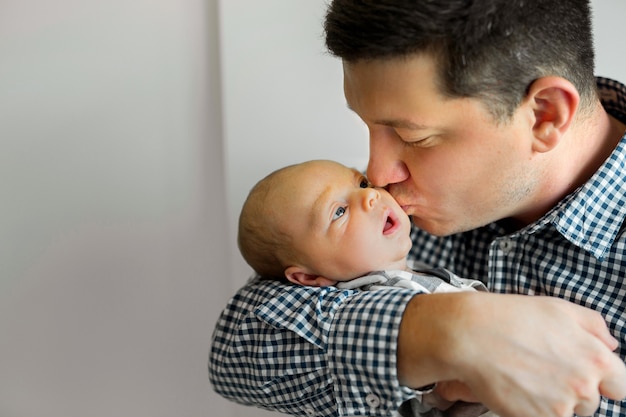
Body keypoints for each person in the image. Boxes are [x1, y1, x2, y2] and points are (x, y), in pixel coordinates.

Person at [209, 1, 626, 417]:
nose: (377, 173)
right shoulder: (397, 215)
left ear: (544, 115)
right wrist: (449, 329)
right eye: (369, 127)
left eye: (414, 137)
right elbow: (240, 346)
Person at [238, 159, 496, 417]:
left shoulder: (417, 272)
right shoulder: (378, 303)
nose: (370, 196)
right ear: (308, 277)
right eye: (339, 212)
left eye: (362, 183)